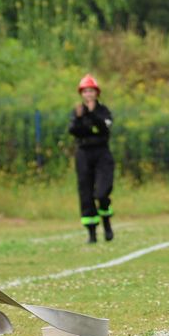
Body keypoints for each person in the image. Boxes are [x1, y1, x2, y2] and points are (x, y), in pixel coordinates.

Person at [69, 74, 115, 243]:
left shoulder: (103, 111)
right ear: (82, 93)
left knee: (102, 192)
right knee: (86, 193)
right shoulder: (77, 111)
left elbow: (105, 128)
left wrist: (92, 113)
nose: (88, 94)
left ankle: (107, 224)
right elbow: (73, 130)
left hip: (102, 154)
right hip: (84, 154)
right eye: (85, 91)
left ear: (97, 93)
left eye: (91, 91)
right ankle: (92, 234)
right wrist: (80, 118)